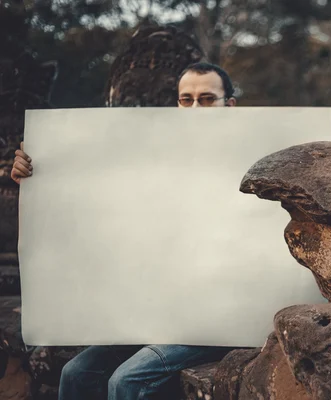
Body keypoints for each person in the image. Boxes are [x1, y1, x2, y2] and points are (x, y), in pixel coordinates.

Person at [11, 62, 238, 400]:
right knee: (76, 373)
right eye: (185, 99)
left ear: (229, 105)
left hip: (215, 322)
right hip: (156, 312)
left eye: (206, 99)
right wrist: (36, 177)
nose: (194, 108)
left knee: (126, 381)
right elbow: (91, 195)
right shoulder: (155, 155)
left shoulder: (250, 156)